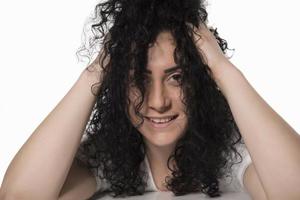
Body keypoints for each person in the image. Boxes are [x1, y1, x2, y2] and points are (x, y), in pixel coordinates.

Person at [1, 0, 300, 200]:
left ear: (201, 81)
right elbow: (20, 196)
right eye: (139, 79)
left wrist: (223, 70)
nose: (157, 102)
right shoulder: (109, 157)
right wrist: (94, 73)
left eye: (177, 77)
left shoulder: (232, 151)